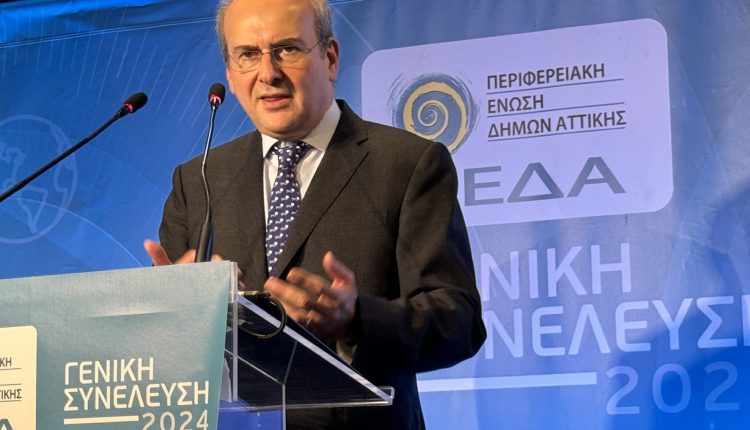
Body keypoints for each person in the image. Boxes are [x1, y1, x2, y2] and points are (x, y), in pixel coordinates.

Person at [144, 0, 486, 428]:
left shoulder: (407, 164)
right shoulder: (199, 179)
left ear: (330, 57)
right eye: (247, 54)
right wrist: (168, 309)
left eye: (287, 49)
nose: (268, 73)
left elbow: (459, 321)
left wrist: (356, 321)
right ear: (230, 74)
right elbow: (169, 353)